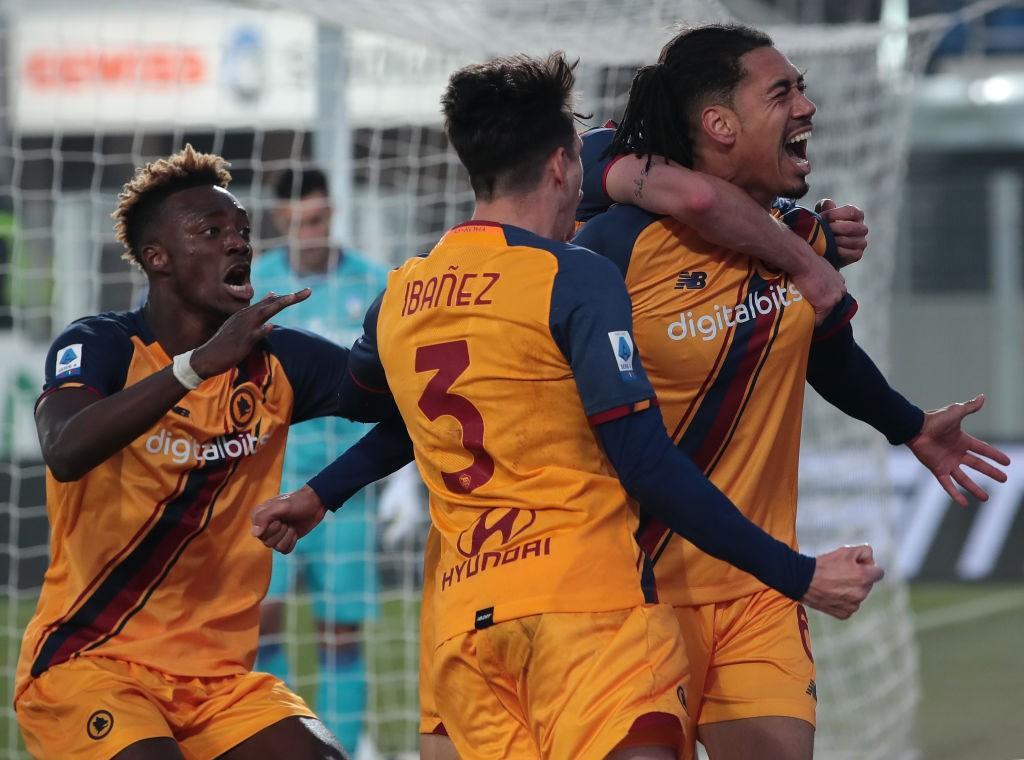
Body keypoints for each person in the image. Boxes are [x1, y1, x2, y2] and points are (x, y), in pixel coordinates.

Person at [251, 52, 885, 760]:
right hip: (586, 614)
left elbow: (371, 401)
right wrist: (799, 573)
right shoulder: (572, 277)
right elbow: (645, 462)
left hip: (466, 624)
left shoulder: (399, 294)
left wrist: (318, 490)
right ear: (561, 166)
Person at [572, 24, 1011, 760]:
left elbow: (823, 352)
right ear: (719, 124)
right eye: (783, 91)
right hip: (635, 589)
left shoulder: (795, 234)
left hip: (756, 591)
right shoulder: (612, 248)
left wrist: (908, 425)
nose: (807, 105)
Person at [13, 145, 366, 759]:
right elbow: (64, 448)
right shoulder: (102, 345)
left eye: (242, 231)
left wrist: (323, 493)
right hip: (92, 661)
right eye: (212, 232)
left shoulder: (280, 360)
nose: (239, 243)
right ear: (159, 259)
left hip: (218, 683)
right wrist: (196, 368)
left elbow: (413, 410)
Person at [253, 166, 422, 752]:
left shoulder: (375, 284)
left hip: (347, 491)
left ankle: (344, 746)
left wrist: (408, 484)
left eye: (320, 218)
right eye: (300, 222)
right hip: (266, 483)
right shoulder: (257, 289)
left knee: (340, 635)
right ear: (281, 221)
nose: (312, 232)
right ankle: (276, 745)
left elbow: (408, 386)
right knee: (258, 626)